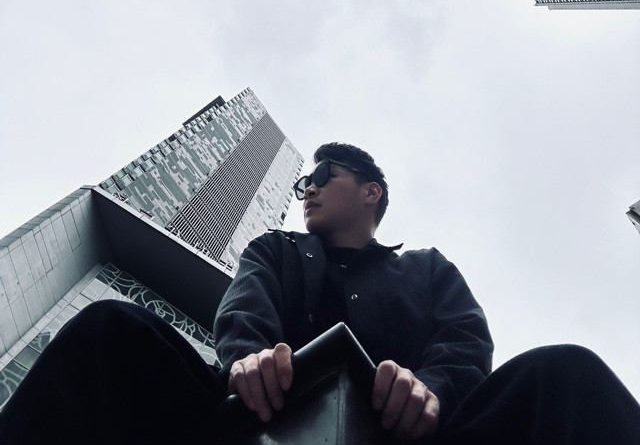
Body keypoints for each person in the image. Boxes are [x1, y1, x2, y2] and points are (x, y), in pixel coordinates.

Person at [1, 142, 639, 444]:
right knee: (112, 333)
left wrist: (432, 391)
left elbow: (466, 341)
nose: (307, 188)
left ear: (371, 192)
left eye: (323, 176)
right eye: (302, 181)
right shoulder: (274, 250)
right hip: (253, 418)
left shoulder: (427, 269)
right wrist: (247, 361)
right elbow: (244, 310)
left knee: (566, 375)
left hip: (411, 440)